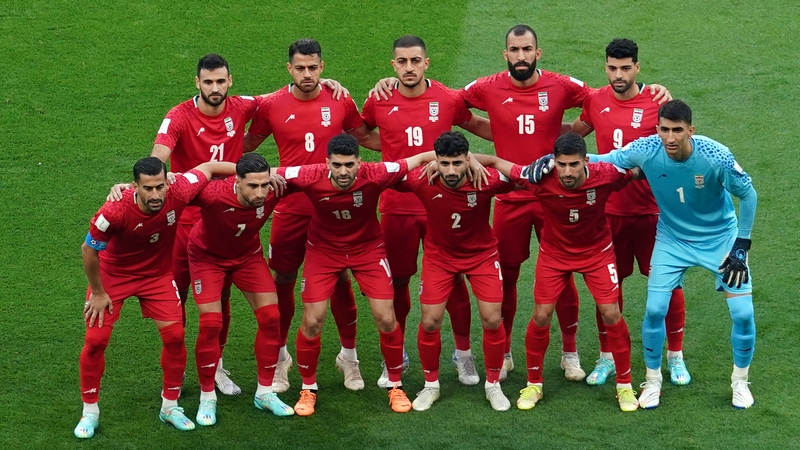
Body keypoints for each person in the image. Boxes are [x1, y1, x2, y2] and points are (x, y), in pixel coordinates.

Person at [371, 25, 668, 381]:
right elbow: (450, 103)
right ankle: (507, 351)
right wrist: (500, 131)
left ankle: (569, 353)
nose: (521, 56)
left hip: (553, 196)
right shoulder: (486, 86)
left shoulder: (561, 85)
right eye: (515, 50)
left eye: (527, 49)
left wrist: (647, 95)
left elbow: (603, 100)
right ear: (506, 54)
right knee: (507, 275)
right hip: (509, 197)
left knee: (564, 273)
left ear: (537, 53)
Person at [589, 100, 757, 409]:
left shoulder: (715, 156)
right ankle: (652, 381)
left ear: (691, 131)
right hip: (672, 239)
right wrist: (553, 158)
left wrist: (741, 246)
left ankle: (740, 382)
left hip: (720, 239)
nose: (670, 138)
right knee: (654, 310)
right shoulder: (647, 148)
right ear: (657, 129)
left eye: (677, 131)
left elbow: (748, 194)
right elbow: (603, 159)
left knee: (743, 314)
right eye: (664, 130)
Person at [242, 38, 379, 393]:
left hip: (333, 208)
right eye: (300, 68)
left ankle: (349, 357)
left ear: (322, 66)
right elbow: (244, 147)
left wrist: (428, 147)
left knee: (341, 278)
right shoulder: (271, 104)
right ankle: (282, 357)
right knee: (283, 278)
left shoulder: (339, 98)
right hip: (289, 207)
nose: (307, 74)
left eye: (313, 67)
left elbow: (367, 138)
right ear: (289, 69)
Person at [361, 35, 493, 387]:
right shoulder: (379, 98)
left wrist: (535, 136)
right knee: (399, 281)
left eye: (415, 61)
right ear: (393, 66)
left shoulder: (448, 98)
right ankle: (399, 350)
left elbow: (478, 126)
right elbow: (358, 134)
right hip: (397, 206)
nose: (408, 68)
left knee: (457, 277)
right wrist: (389, 145)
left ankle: (463, 355)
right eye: (401, 62)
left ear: (426, 63)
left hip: (443, 205)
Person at [477, 132, 641, 412]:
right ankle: (534, 383)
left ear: (585, 161)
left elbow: (641, 167)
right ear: (553, 162)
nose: (567, 172)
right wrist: (448, 160)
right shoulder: (538, 178)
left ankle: (625, 385)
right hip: (555, 256)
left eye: (574, 165)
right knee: (541, 314)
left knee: (611, 313)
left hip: (597, 253)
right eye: (561, 165)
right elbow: (493, 160)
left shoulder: (607, 174)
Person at [275, 134, 437, 416]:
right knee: (312, 320)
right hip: (323, 251)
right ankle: (308, 388)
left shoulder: (376, 174)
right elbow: (261, 173)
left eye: (349, 165)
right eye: (336, 165)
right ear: (326, 163)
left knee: (386, 317)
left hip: (367, 250)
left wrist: (472, 160)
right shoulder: (308, 174)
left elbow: (422, 157)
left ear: (359, 163)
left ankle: (395, 385)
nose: (343, 172)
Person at [75, 157, 235, 439]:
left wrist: (255, 171)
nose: (155, 195)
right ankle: (90, 412)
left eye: (159, 186)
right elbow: (89, 250)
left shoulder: (178, 190)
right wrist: (98, 292)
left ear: (167, 180)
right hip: (115, 275)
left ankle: (170, 406)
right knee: (96, 341)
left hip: (157, 276)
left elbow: (209, 168)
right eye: (147, 189)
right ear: (134, 186)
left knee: (174, 336)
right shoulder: (115, 210)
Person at [571, 38, 690, 386]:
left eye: (625, 68)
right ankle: (607, 357)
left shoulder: (657, 104)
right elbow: (576, 137)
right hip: (608, 213)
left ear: (637, 67)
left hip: (654, 213)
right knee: (608, 288)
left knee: (669, 286)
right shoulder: (595, 101)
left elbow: (680, 146)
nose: (618, 74)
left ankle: (675, 356)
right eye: (612, 68)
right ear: (605, 67)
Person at [151, 53, 258, 396]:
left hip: (223, 221)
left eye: (220, 81)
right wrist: (144, 182)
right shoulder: (179, 116)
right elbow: (157, 159)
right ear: (197, 83)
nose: (215, 88)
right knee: (175, 296)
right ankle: (177, 370)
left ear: (230, 81)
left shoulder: (241, 107)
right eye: (208, 82)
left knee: (220, 298)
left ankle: (217, 367)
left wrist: (329, 86)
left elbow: (282, 97)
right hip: (184, 224)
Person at [393, 131, 512, 412]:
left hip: (482, 257)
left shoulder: (486, 180)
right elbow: (386, 174)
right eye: (444, 163)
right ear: (436, 161)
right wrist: (423, 160)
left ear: (467, 159)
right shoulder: (421, 179)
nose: (450, 170)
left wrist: (490, 160)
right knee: (431, 321)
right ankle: (431, 385)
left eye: (457, 163)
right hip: (439, 258)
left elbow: (525, 174)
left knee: (492, 318)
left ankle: (493, 385)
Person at [189, 153, 295, 425]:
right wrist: (126, 188)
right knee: (211, 324)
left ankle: (265, 392)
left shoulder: (275, 188)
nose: (261, 192)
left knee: (272, 318)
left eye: (264, 184)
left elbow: (318, 173)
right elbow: (166, 188)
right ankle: (207, 396)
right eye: (253, 186)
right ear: (237, 182)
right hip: (206, 258)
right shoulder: (211, 194)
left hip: (247, 257)